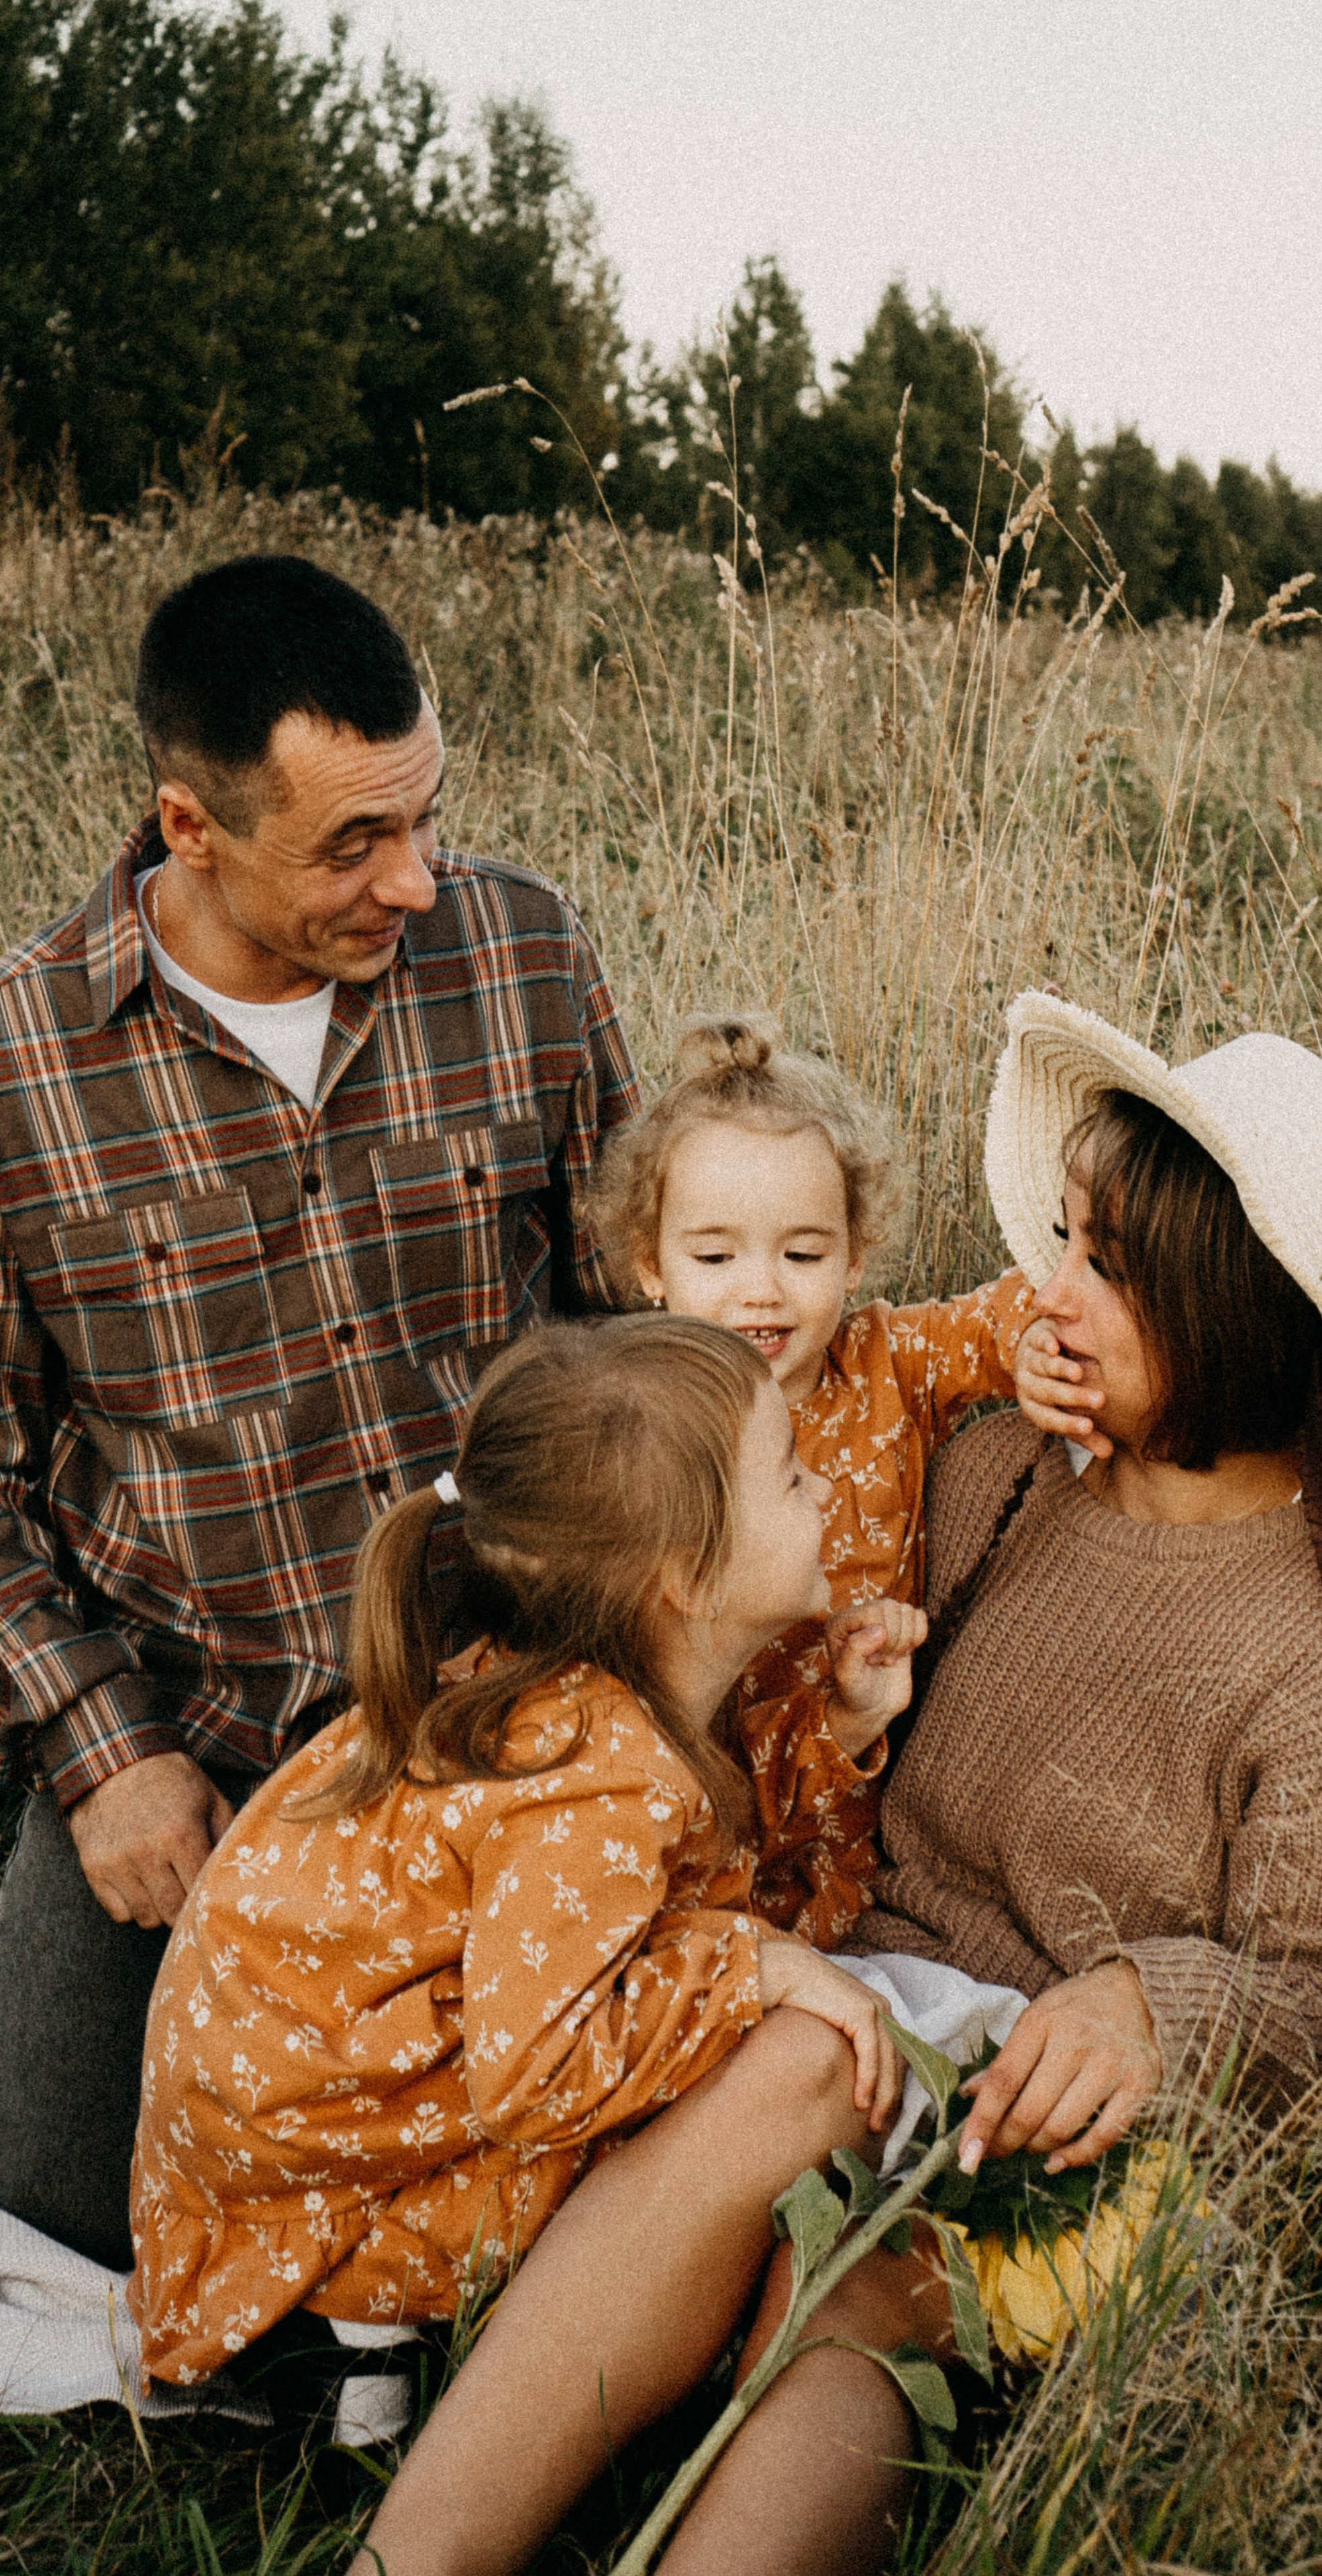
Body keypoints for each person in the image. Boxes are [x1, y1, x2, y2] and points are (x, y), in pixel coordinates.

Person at [361, 991, 1322, 2576]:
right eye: (1062, 1239)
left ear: (1224, 1307)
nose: (1044, 1294)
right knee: (775, 2079)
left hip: (1066, 2122)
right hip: (852, 2003)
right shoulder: (994, 1476)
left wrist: (1147, 2002)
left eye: (1102, 1267)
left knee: (852, 2248)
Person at [0, 553, 637, 2270]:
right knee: (57, 2214)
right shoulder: (23, 1066)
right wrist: (102, 1758)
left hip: (510, 1701)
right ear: (187, 831)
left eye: (423, 818)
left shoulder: (523, 954)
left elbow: (632, 1329)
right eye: (350, 845)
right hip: (197, 1732)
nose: (415, 883)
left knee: (560, 2199)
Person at [132, 1315, 911, 2464]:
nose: (825, 1492)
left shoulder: (590, 1707)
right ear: (688, 1580)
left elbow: (700, 1881)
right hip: (307, 2202)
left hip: (291, 2129)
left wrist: (841, 1731)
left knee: (699, 2052)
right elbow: (541, 2071)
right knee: (667, 2148)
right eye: (792, 1478)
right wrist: (752, 1967)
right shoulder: (589, 1785)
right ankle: (341, 2350)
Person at [587, 1013, 1075, 1943]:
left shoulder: (887, 1362)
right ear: (652, 1266)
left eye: (802, 1255)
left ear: (855, 1257)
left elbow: (994, 1319)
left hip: (861, 1791)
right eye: (715, 1255)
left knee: (841, 1942)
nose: (761, 1290)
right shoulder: (642, 1413)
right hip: (705, 1790)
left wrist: (1033, 1345)